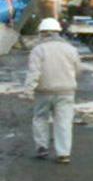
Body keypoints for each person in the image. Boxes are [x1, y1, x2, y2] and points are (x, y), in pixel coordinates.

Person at [25, 18, 81, 164]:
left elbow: (34, 72)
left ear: (42, 33)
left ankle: (42, 148)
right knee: (64, 122)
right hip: (66, 91)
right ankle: (63, 154)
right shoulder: (71, 49)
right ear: (58, 32)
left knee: (40, 118)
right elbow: (78, 69)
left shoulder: (38, 50)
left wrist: (28, 90)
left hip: (43, 91)